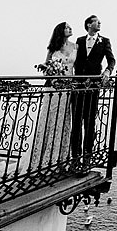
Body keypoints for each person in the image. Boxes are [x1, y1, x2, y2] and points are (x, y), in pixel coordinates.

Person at [71, 15, 115, 174]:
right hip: (77, 86)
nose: (100, 23)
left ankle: (87, 159)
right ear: (89, 24)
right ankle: (74, 159)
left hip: (94, 87)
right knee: (76, 123)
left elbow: (111, 60)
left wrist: (108, 72)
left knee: (89, 123)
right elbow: (73, 60)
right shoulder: (79, 40)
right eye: (97, 21)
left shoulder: (105, 41)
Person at [30, 22, 75, 171]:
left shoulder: (76, 47)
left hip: (68, 88)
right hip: (54, 88)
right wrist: (51, 70)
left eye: (70, 27)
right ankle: (46, 157)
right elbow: (45, 67)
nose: (70, 29)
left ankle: (61, 157)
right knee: (51, 118)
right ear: (60, 31)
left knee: (63, 120)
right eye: (67, 27)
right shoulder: (52, 49)